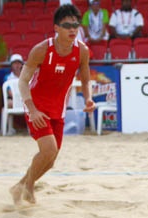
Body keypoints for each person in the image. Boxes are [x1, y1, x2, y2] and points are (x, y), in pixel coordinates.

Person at [9, 4, 95, 205]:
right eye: (67, 25)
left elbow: (85, 79)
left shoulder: (82, 51)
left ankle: (19, 186)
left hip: (59, 110)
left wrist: (88, 98)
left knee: (51, 160)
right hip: (37, 107)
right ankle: (28, 186)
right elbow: (23, 81)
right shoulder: (41, 50)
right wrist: (32, 109)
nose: (73, 29)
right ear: (56, 27)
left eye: (75, 24)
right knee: (48, 151)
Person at [3, 53, 24, 134]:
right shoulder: (7, 77)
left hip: (26, 99)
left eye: (19, 63)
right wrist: (18, 99)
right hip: (14, 100)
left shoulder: (26, 76)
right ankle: (9, 129)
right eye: (15, 63)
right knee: (8, 104)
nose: (17, 65)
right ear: (11, 65)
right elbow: (9, 92)